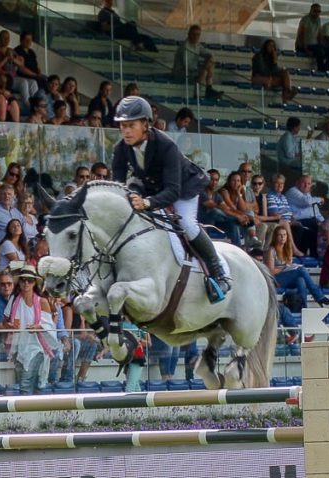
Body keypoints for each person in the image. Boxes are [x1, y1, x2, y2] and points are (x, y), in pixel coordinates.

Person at [111, 96, 231, 301]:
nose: (126, 131)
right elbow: (118, 185)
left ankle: (219, 273)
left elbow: (173, 191)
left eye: (131, 125)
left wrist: (147, 203)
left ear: (145, 124)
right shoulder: (120, 149)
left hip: (183, 186)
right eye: (122, 126)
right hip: (151, 185)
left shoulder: (167, 146)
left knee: (187, 223)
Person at [4, 265, 59, 395]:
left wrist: (38, 327)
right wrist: (9, 325)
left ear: (35, 283)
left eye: (30, 280)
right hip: (18, 347)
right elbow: (4, 321)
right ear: (20, 282)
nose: (26, 283)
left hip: (37, 346)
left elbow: (50, 326)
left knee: (25, 382)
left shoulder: (42, 302)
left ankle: (25, 411)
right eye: (23, 280)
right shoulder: (14, 300)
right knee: (30, 382)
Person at [265, 225, 329, 308]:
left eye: (285, 235)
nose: (283, 237)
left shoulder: (287, 249)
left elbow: (289, 266)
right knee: (301, 270)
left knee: (300, 280)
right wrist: (284, 267)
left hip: (286, 277)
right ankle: (319, 297)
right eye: (280, 235)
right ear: (275, 237)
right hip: (275, 280)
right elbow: (270, 271)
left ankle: (303, 307)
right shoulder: (271, 250)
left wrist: (289, 266)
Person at [171, 25, 221, 99]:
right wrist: (202, 68)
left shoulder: (197, 45)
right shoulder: (184, 47)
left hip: (191, 71)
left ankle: (208, 89)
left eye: (198, 35)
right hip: (181, 73)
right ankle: (198, 94)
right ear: (189, 34)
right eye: (193, 34)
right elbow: (187, 66)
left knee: (210, 62)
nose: (196, 37)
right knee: (203, 72)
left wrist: (209, 59)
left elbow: (208, 54)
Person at [198, 169, 244, 247]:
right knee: (215, 211)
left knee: (234, 224)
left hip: (216, 225)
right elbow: (213, 205)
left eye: (216, 180)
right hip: (203, 225)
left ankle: (239, 250)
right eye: (211, 179)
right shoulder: (201, 192)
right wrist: (237, 217)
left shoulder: (216, 195)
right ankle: (237, 220)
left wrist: (245, 216)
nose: (214, 182)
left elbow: (227, 209)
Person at [285, 174, 324, 257]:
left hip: (309, 221)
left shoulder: (308, 195)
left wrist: (322, 221)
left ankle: (317, 257)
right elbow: (307, 202)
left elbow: (315, 211)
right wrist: (320, 199)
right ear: (297, 183)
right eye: (304, 183)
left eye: (309, 183)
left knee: (323, 226)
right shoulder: (293, 191)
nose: (306, 185)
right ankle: (312, 256)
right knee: (313, 227)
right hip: (297, 221)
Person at [296, 3, 328, 71]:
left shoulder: (318, 20)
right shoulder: (306, 19)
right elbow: (302, 35)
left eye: (319, 11)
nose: (317, 13)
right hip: (305, 45)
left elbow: (319, 34)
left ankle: (326, 69)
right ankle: (321, 70)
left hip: (314, 45)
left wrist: (321, 44)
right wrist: (306, 49)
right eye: (315, 11)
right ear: (311, 11)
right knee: (320, 52)